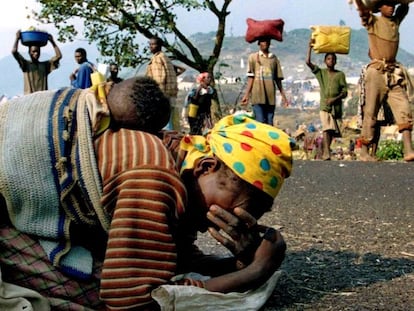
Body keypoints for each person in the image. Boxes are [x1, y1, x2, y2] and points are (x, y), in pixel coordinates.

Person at [0, 75, 293, 310]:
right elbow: (138, 300)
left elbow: (173, 256)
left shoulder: (180, 155)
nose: (240, 218)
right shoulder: (156, 175)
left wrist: (239, 261)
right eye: (243, 205)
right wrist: (255, 273)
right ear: (206, 166)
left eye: (255, 215)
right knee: (94, 291)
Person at [354, 0, 414, 162]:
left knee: (404, 108)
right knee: (371, 112)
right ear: (379, 7)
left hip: (393, 72)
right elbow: (362, 11)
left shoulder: (395, 21)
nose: (391, 7)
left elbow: (405, 6)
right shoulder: (373, 21)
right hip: (376, 72)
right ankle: (364, 151)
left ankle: (408, 150)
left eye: (393, 4)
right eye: (387, 4)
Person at [306, 39, 348, 160]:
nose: (331, 61)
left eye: (333, 59)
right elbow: (308, 62)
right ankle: (326, 153)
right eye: (328, 59)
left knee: (331, 131)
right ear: (325, 61)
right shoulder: (321, 73)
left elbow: (344, 92)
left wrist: (335, 99)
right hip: (324, 106)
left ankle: (325, 150)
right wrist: (310, 48)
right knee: (326, 128)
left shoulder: (340, 75)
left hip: (335, 108)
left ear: (336, 61)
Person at [241, 37, 289, 125]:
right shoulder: (253, 58)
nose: (265, 43)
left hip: (270, 97)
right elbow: (251, 77)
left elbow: (278, 79)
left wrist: (284, 97)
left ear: (270, 43)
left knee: (269, 123)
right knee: (260, 122)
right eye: (263, 41)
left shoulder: (274, 59)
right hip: (257, 96)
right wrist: (246, 94)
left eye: (267, 41)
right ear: (259, 43)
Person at [12, 29, 62, 95]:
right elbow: (14, 52)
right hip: (29, 98)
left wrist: (52, 41)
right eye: (33, 51)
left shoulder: (44, 65)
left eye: (37, 52)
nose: (36, 54)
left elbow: (58, 56)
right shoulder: (26, 65)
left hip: (42, 98)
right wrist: (17, 39)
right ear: (29, 53)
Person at [146, 36, 180, 131]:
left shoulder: (157, 59)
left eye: (153, 44)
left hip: (162, 93)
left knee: (163, 121)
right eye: (150, 44)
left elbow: (159, 78)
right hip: (170, 93)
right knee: (169, 119)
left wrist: (157, 95)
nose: (151, 46)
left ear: (159, 46)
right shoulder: (165, 58)